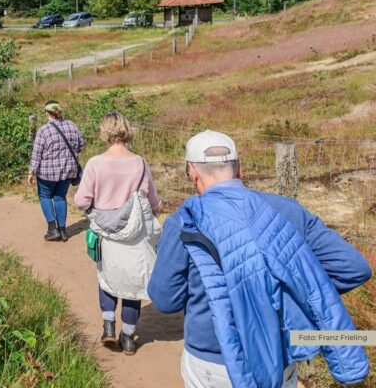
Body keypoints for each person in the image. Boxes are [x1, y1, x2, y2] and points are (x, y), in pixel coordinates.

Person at [149, 130, 371, 388]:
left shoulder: (184, 222)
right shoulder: (287, 210)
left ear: (192, 173)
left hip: (211, 360)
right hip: (278, 357)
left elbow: (165, 299)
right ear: (239, 169)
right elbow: (354, 268)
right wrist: (292, 292)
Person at [74, 112, 161, 356]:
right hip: (134, 234)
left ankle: (109, 325)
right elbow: (153, 200)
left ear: (104, 132)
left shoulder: (95, 163)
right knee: (132, 283)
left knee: (107, 277)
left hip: (106, 233)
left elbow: (82, 200)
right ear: (126, 130)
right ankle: (129, 337)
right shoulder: (140, 163)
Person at [27, 101, 85, 242]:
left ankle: (53, 229)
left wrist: (31, 172)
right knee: (60, 197)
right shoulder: (72, 126)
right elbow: (81, 146)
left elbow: (37, 153)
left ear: (47, 113)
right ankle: (63, 231)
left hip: (47, 173)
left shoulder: (43, 130)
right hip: (68, 171)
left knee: (45, 196)